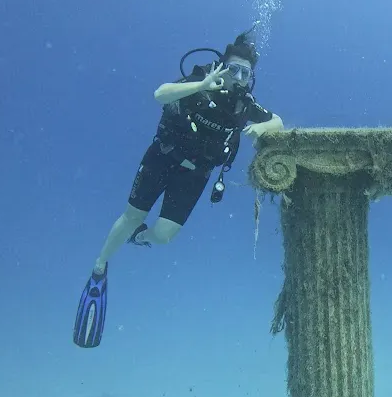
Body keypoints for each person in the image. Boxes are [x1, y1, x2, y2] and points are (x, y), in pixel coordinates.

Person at [72, 25, 284, 349]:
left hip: (194, 176)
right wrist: (201, 85)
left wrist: (261, 126)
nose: (239, 77)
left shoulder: (244, 104)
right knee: (132, 213)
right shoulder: (200, 82)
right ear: (223, 65)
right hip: (161, 158)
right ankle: (100, 267)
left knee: (164, 236)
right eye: (234, 69)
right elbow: (159, 94)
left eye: (246, 72)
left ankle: (139, 237)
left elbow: (278, 120)